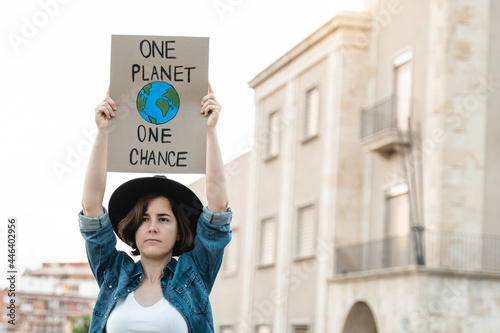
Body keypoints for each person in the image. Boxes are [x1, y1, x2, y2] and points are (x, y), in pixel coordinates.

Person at [78, 84, 231, 333]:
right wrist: (103, 132)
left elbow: (217, 210)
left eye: (163, 219)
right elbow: (91, 208)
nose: (152, 227)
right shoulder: (114, 274)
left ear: (179, 231)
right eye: (144, 219)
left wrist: (210, 131)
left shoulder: (193, 275)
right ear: (133, 229)